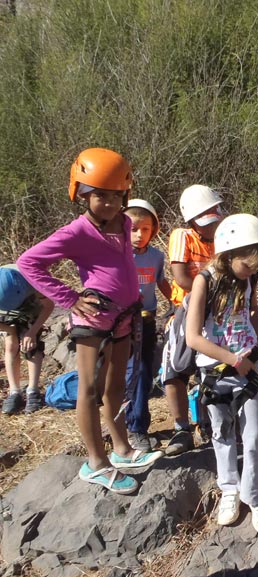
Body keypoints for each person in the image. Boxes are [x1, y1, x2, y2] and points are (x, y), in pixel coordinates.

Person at [17, 147, 162, 494]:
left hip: (125, 316)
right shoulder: (76, 232)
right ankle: (96, 463)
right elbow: (28, 263)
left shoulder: (124, 223)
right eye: (100, 195)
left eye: (116, 195)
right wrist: (70, 299)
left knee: (116, 386)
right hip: (94, 319)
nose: (110, 203)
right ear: (82, 194)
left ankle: (122, 449)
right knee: (89, 389)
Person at [185, 214, 258, 535]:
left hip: (248, 366)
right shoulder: (204, 281)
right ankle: (229, 488)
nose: (251, 271)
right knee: (222, 431)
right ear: (228, 253)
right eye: (247, 264)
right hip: (216, 370)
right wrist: (233, 360)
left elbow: (253, 308)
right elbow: (193, 337)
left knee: (255, 435)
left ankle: (256, 494)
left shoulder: (249, 278)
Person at [160, 185, 224, 455]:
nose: (211, 226)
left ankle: (208, 424)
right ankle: (181, 428)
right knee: (175, 369)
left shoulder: (223, 236)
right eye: (206, 222)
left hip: (217, 309)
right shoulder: (183, 236)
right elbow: (182, 277)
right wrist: (205, 295)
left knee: (212, 369)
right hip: (186, 309)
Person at [123, 199, 172, 452]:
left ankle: (136, 425)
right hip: (122, 320)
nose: (139, 235)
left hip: (147, 319)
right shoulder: (117, 255)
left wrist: (177, 303)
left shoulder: (156, 256)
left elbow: (161, 281)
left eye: (145, 229)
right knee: (133, 372)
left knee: (143, 371)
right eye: (133, 229)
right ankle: (134, 426)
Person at [0, 265, 54, 414]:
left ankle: (33, 390)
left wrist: (32, 331)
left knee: (30, 346)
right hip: (4, 307)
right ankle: (14, 392)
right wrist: (9, 329)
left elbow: (49, 305)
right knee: (10, 345)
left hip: (30, 303)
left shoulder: (34, 278)